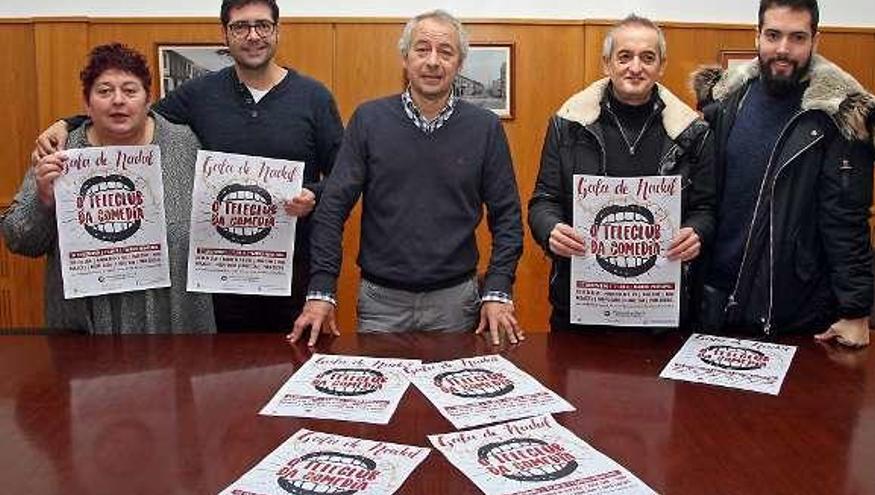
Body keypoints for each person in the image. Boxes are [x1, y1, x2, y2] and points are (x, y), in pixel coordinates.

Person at [33, 0, 344, 333]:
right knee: (220, 380)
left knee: (289, 374)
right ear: (225, 34)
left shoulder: (314, 97)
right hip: (216, 284)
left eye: (262, 25)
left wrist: (313, 193)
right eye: (240, 27)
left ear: (277, 31)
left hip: (292, 277)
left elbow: (343, 179)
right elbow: (135, 115)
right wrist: (69, 122)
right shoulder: (199, 94)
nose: (253, 35)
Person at [288, 10, 524, 346]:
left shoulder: (485, 128)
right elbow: (332, 208)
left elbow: (508, 217)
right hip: (380, 305)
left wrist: (498, 289)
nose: (432, 61)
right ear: (405, 57)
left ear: (459, 63)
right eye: (422, 49)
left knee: (451, 398)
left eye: (446, 52)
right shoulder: (368, 120)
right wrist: (322, 289)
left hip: (456, 304)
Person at [692, 0, 875, 346]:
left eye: (797, 37)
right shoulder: (726, 104)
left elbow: (847, 220)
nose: (783, 49)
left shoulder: (837, 117)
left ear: (815, 40)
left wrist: (855, 311)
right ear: (757, 36)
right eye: (773, 35)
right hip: (715, 308)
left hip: (794, 314)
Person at [1, 43, 214, 333]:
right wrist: (44, 201)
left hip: (174, 318)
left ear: (147, 99)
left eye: (130, 90)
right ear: (87, 103)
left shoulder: (184, 144)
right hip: (90, 325)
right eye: (104, 91)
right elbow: (20, 241)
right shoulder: (61, 150)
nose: (118, 101)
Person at [528, 14, 715, 332]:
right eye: (624, 56)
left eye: (647, 57)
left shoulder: (693, 131)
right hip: (580, 312)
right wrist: (551, 229)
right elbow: (543, 201)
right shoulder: (568, 124)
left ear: (661, 65)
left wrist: (697, 232)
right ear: (607, 63)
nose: (635, 67)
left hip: (660, 316)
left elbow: (706, 208)